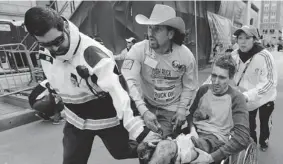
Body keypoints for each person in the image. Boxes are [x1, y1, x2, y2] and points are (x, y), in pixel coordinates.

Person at [24, 7, 161, 164]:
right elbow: (58, 76)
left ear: (66, 26)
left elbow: (120, 94)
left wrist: (141, 132)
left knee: (121, 152)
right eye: (46, 44)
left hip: (107, 119)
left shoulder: (93, 54)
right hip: (76, 121)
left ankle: (164, 148)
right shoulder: (45, 52)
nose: (54, 49)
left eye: (57, 41)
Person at [138, 54, 251, 164]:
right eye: (214, 75)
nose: (215, 81)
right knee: (144, 148)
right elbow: (190, 114)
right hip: (193, 133)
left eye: (221, 77)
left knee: (165, 148)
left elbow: (243, 137)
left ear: (231, 78)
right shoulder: (204, 90)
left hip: (214, 140)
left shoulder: (237, 98)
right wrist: (192, 130)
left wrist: (211, 158)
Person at [122, 4, 198, 138]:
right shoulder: (138, 50)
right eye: (150, 28)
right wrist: (143, 111)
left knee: (161, 147)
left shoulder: (186, 56)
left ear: (170, 34)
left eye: (157, 29)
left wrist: (181, 110)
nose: (150, 33)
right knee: (143, 144)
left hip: (171, 109)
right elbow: (129, 81)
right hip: (145, 105)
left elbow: (189, 86)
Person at [232, 25, 277, 152]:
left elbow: (270, 82)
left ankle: (264, 141)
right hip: (245, 99)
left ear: (255, 39)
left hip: (265, 98)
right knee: (249, 126)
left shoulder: (265, 56)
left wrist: (248, 95)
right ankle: (251, 147)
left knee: (264, 124)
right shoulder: (233, 55)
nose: (242, 41)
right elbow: (223, 73)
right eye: (240, 38)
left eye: (247, 38)